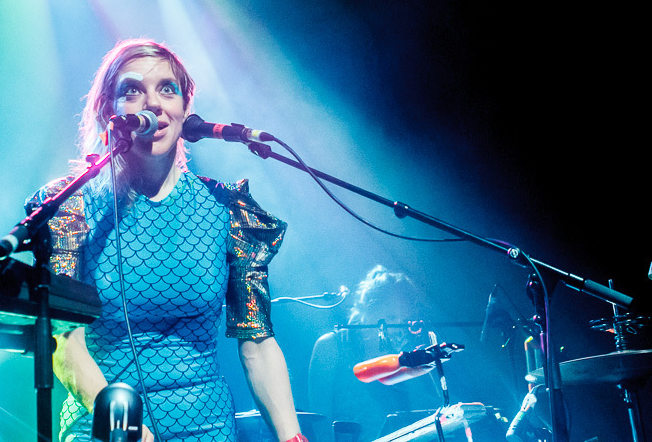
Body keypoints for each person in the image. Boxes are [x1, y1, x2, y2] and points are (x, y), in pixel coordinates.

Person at [25, 39, 306, 442]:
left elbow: (257, 341)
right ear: (109, 111)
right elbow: (63, 344)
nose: (153, 103)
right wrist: (123, 423)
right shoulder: (71, 207)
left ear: (185, 110)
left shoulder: (228, 209)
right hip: (102, 425)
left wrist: (291, 436)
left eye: (167, 89)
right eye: (132, 90)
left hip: (205, 428)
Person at [307, 266, 437, 442]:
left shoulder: (403, 356)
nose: (396, 329)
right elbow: (319, 423)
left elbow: (420, 415)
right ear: (368, 310)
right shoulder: (330, 347)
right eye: (390, 318)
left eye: (403, 320)